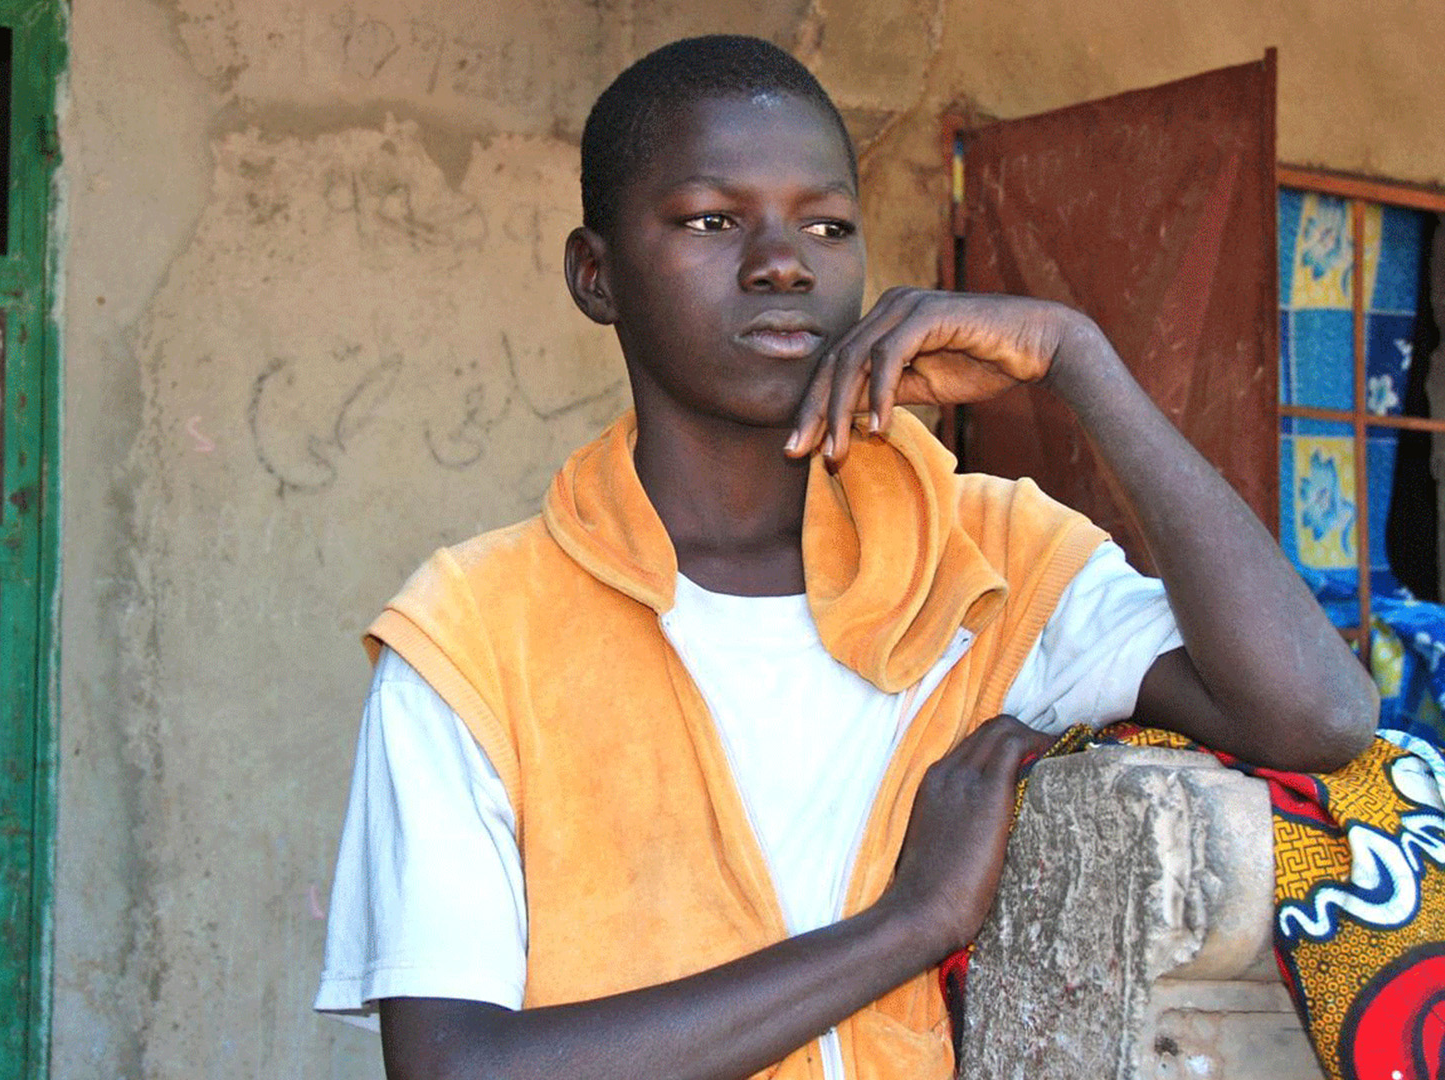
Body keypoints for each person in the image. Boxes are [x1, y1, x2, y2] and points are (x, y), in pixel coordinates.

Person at [314, 35, 1377, 1080]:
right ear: (597, 276)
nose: (783, 263)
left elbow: (1317, 716)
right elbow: (455, 1067)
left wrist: (1079, 359)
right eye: (712, 220)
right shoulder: (478, 629)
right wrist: (909, 923)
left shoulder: (980, 558)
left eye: (826, 225)